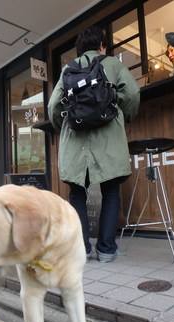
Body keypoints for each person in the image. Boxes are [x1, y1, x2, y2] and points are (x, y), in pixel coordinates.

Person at [48, 26, 140, 263]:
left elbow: (53, 107)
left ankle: (82, 249)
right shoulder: (113, 64)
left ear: (79, 50)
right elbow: (131, 94)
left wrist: (63, 127)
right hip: (108, 140)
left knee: (77, 195)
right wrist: (121, 113)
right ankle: (107, 250)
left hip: (74, 142)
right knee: (111, 192)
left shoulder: (68, 69)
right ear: (102, 46)